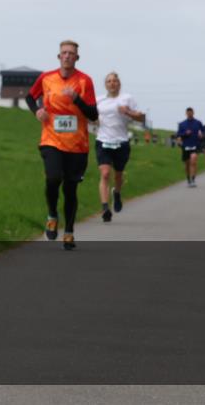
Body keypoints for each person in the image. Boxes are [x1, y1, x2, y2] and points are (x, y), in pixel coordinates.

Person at [26, 40, 98, 251]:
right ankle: (52, 214)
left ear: (77, 58)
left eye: (71, 53)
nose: (67, 56)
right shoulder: (46, 78)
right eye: (63, 53)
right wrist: (37, 111)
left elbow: (93, 114)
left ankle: (69, 231)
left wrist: (77, 99)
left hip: (77, 145)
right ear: (59, 57)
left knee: (70, 189)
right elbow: (31, 97)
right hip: (51, 139)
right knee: (53, 178)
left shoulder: (85, 81)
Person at [93, 72, 145, 222]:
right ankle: (105, 208)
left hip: (121, 142)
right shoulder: (99, 100)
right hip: (103, 141)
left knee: (118, 175)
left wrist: (127, 111)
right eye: (109, 81)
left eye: (115, 81)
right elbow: (92, 117)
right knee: (105, 173)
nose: (112, 83)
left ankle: (116, 193)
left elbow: (141, 118)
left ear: (119, 84)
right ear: (105, 85)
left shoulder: (127, 98)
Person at [175, 108, 204, 187]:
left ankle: (193, 179)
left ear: (193, 113)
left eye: (191, 112)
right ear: (186, 113)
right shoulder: (182, 124)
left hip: (195, 145)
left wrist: (201, 135)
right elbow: (178, 135)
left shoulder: (198, 123)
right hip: (186, 146)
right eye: (188, 113)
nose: (189, 114)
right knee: (187, 164)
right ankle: (188, 179)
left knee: (193, 161)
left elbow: (203, 132)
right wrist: (185, 133)